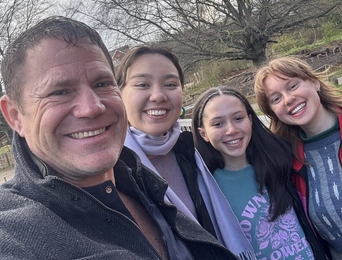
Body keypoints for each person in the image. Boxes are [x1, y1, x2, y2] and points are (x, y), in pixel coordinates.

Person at [0, 16, 239, 260]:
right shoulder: (11, 236)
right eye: (59, 92)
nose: (91, 107)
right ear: (15, 116)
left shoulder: (141, 179)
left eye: (101, 83)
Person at [115, 45, 257, 259]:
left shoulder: (191, 152)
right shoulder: (112, 171)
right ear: (119, 94)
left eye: (170, 84)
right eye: (143, 84)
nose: (158, 95)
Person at [192, 86, 330, 259]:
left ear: (250, 120)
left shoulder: (280, 163)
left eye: (238, 118)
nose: (231, 130)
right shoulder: (204, 190)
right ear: (203, 133)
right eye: (218, 124)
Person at [254, 56, 342, 259]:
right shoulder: (286, 162)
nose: (288, 99)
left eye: (292, 86)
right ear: (274, 113)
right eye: (276, 98)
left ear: (314, 82)